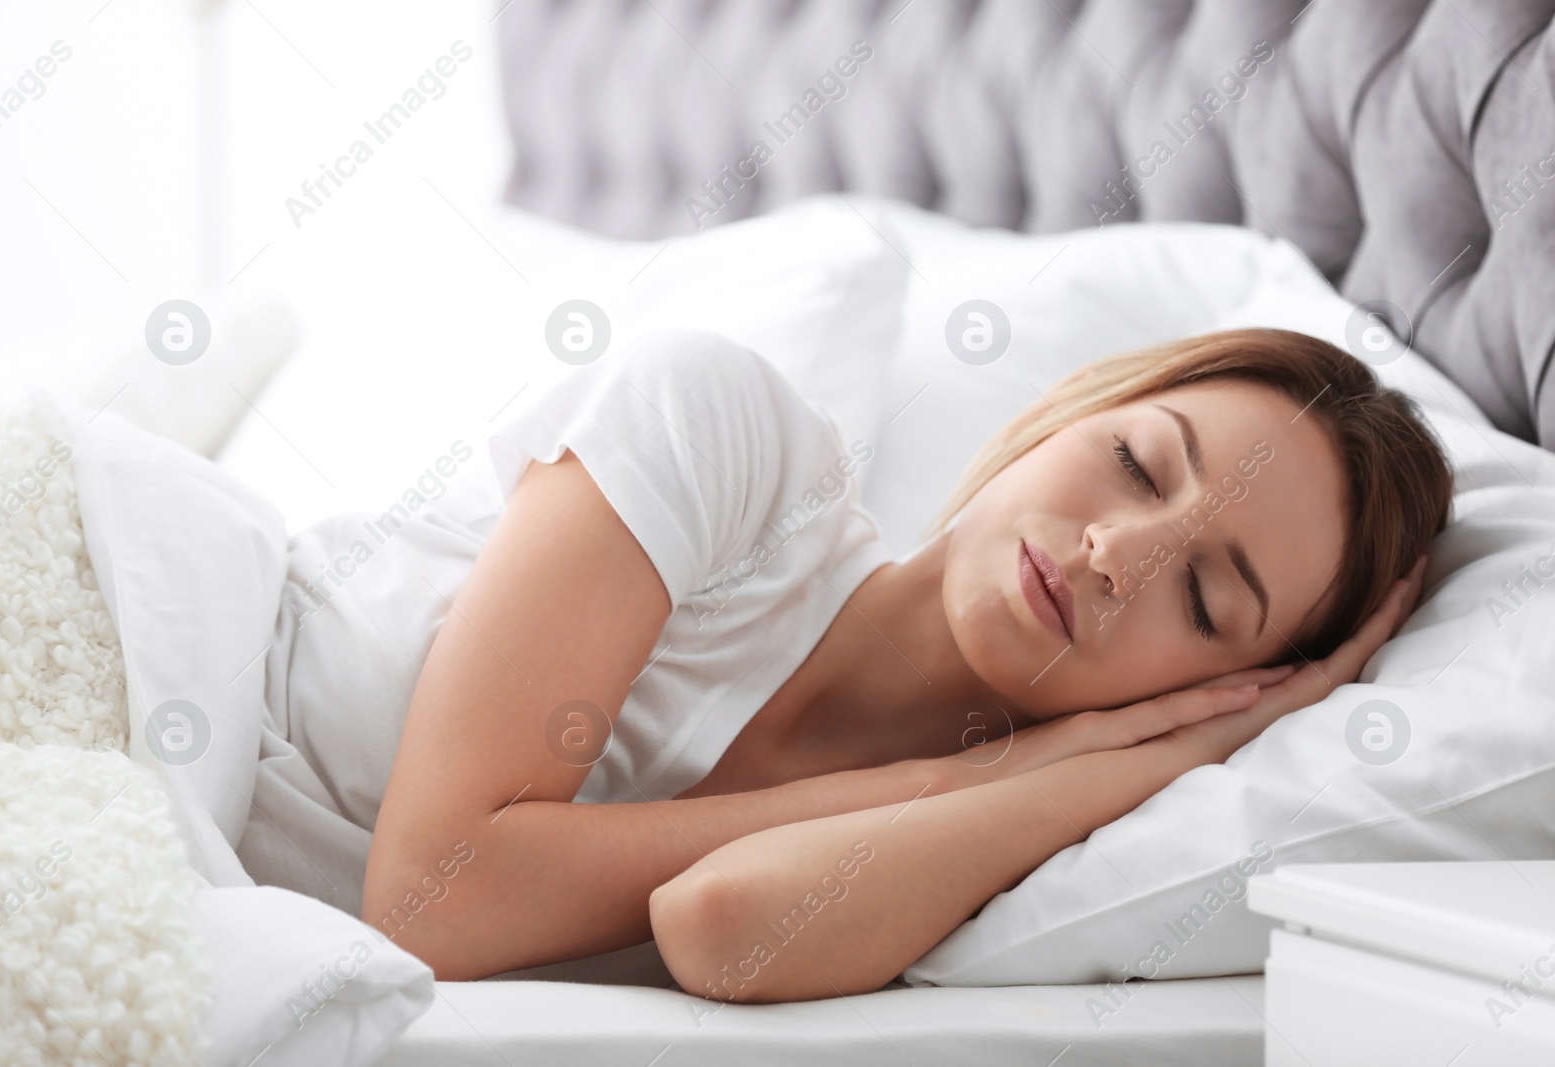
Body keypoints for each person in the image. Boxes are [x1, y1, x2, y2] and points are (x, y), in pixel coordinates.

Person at [323, 325, 1449, 1000]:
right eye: (1137, 463)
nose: (1118, 552)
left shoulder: (1010, 844)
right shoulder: (729, 437)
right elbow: (436, 897)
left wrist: (1128, 765)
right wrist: (968, 777)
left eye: (1205, 599)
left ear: (1216, 689)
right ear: (1071, 411)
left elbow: (718, 921)